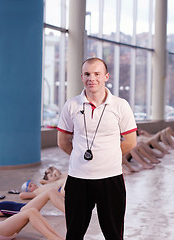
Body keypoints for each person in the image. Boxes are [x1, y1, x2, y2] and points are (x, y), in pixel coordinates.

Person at [57, 57, 137, 240]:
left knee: (114, 235)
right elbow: (63, 142)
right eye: (87, 74)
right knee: (74, 234)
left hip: (111, 179)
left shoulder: (120, 105)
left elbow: (131, 142)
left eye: (97, 74)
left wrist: (106, 157)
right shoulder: (71, 105)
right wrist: (80, 157)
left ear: (106, 76)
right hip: (78, 180)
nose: (91, 78)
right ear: (81, 77)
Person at [0, 208, 64, 240]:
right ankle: (51, 237)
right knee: (29, 212)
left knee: (33, 210)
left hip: (0, 227)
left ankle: (56, 236)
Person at [0, 188, 65, 218]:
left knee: (52, 191)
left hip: (26, 207)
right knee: (50, 192)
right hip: (24, 210)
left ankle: (71, 209)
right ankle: (69, 212)